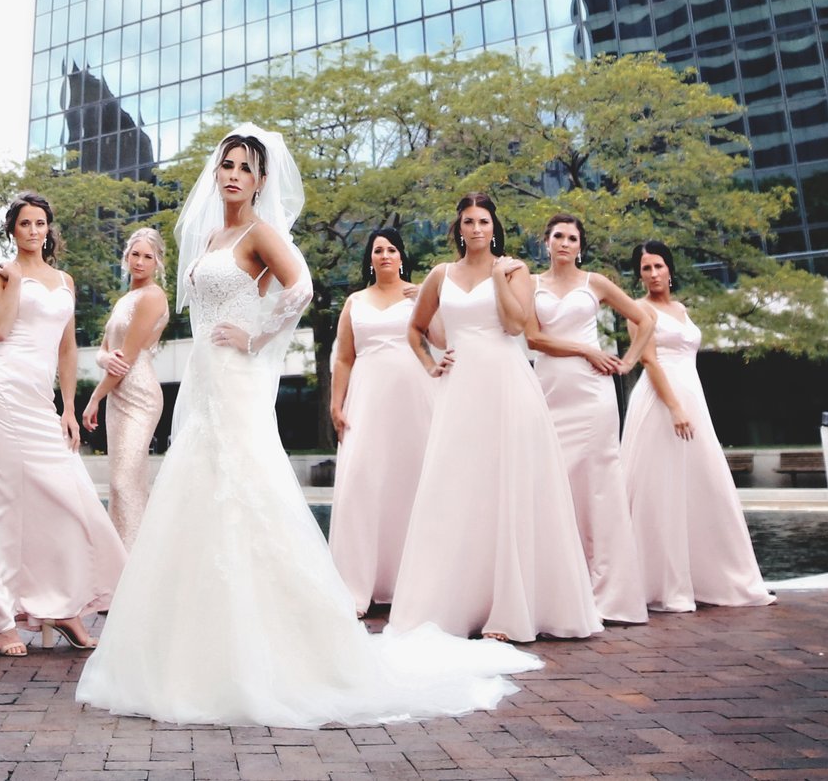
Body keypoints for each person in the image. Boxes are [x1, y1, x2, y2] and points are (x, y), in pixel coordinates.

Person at [76, 128, 541, 727]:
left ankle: (272, 651)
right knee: (196, 495)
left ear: (262, 180)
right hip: (205, 377)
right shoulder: (212, 234)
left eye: (246, 167)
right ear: (216, 174)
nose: (234, 175)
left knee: (248, 494)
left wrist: (259, 335)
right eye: (227, 165)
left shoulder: (258, 232)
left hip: (238, 377)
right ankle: (192, 648)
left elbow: (302, 286)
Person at [390, 194, 601, 644]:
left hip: (508, 384)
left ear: (493, 227)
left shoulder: (516, 270)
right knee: (459, 487)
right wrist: (430, 365)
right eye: (468, 221)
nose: (476, 228)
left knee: (512, 485)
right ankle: (455, 601)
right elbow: (414, 327)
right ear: (459, 228)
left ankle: (513, 606)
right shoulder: (439, 275)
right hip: (460, 387)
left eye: (483, 221)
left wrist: (501, 279)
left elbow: (513, 326)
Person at [0, 191, 126, 655]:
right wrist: (14, 282)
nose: (34, 231)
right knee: (0, 502)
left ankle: (63, 606)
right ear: (13, 230)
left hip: (39, 400)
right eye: (25, 224)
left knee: (66, 496)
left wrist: (69, 408)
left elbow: (68, 348)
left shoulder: (65, 280)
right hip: (1, 393)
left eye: (41, 224)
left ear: (49, 229)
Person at [618, 240, 772, 613]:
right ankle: (664, 583)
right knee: (662, 490)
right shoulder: (637, 309)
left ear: (670, 268)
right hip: (661, 400)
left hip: (693, 396)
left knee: (706, 485)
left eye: (658, 266)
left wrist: (688, 406)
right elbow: (650, 361)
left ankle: (715, 577)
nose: (653, 274)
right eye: (645, 269)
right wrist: (674, 408)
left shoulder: (682, 309)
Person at [527, 212, 653, 626]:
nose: (565, 243)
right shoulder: (530, 284)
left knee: (599, 485)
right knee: (556, 483)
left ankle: (612, 594)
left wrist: (629, 361)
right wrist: (586, 350)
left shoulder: (594, 282)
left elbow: (644, 319)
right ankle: (563, 589)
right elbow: (532, 337)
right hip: (549, 389)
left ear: (581, 246)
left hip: (594, 394)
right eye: (558, 236)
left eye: (572, 238)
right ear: (546, 242)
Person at [326, 226, 436, 611]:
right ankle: (358, 584)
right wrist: (335, 404)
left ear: (402, 256)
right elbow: (343, 357)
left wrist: (425, 297)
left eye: (391, 249)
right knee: (362, 480)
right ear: (370, 259)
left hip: (414, 396)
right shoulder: (355, 301)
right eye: (378, 250)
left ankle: (413, 582)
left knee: (412, 481)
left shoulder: (419, 293)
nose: (385, 255)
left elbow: (440, 338)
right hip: (367, 397)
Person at [81, 225, 169, 546]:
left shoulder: (153, 297)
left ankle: (136, 562)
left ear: (158, 262)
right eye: (136, 254)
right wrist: (104, 360)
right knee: (120, 485)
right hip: (117, 396)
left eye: (149, 256)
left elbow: (126, 358)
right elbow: (106, 351)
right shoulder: (124, 300)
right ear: (126, 257)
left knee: (123, 481)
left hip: (139, 394)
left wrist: (93, 399)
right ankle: (120, 562)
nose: (141, 262)